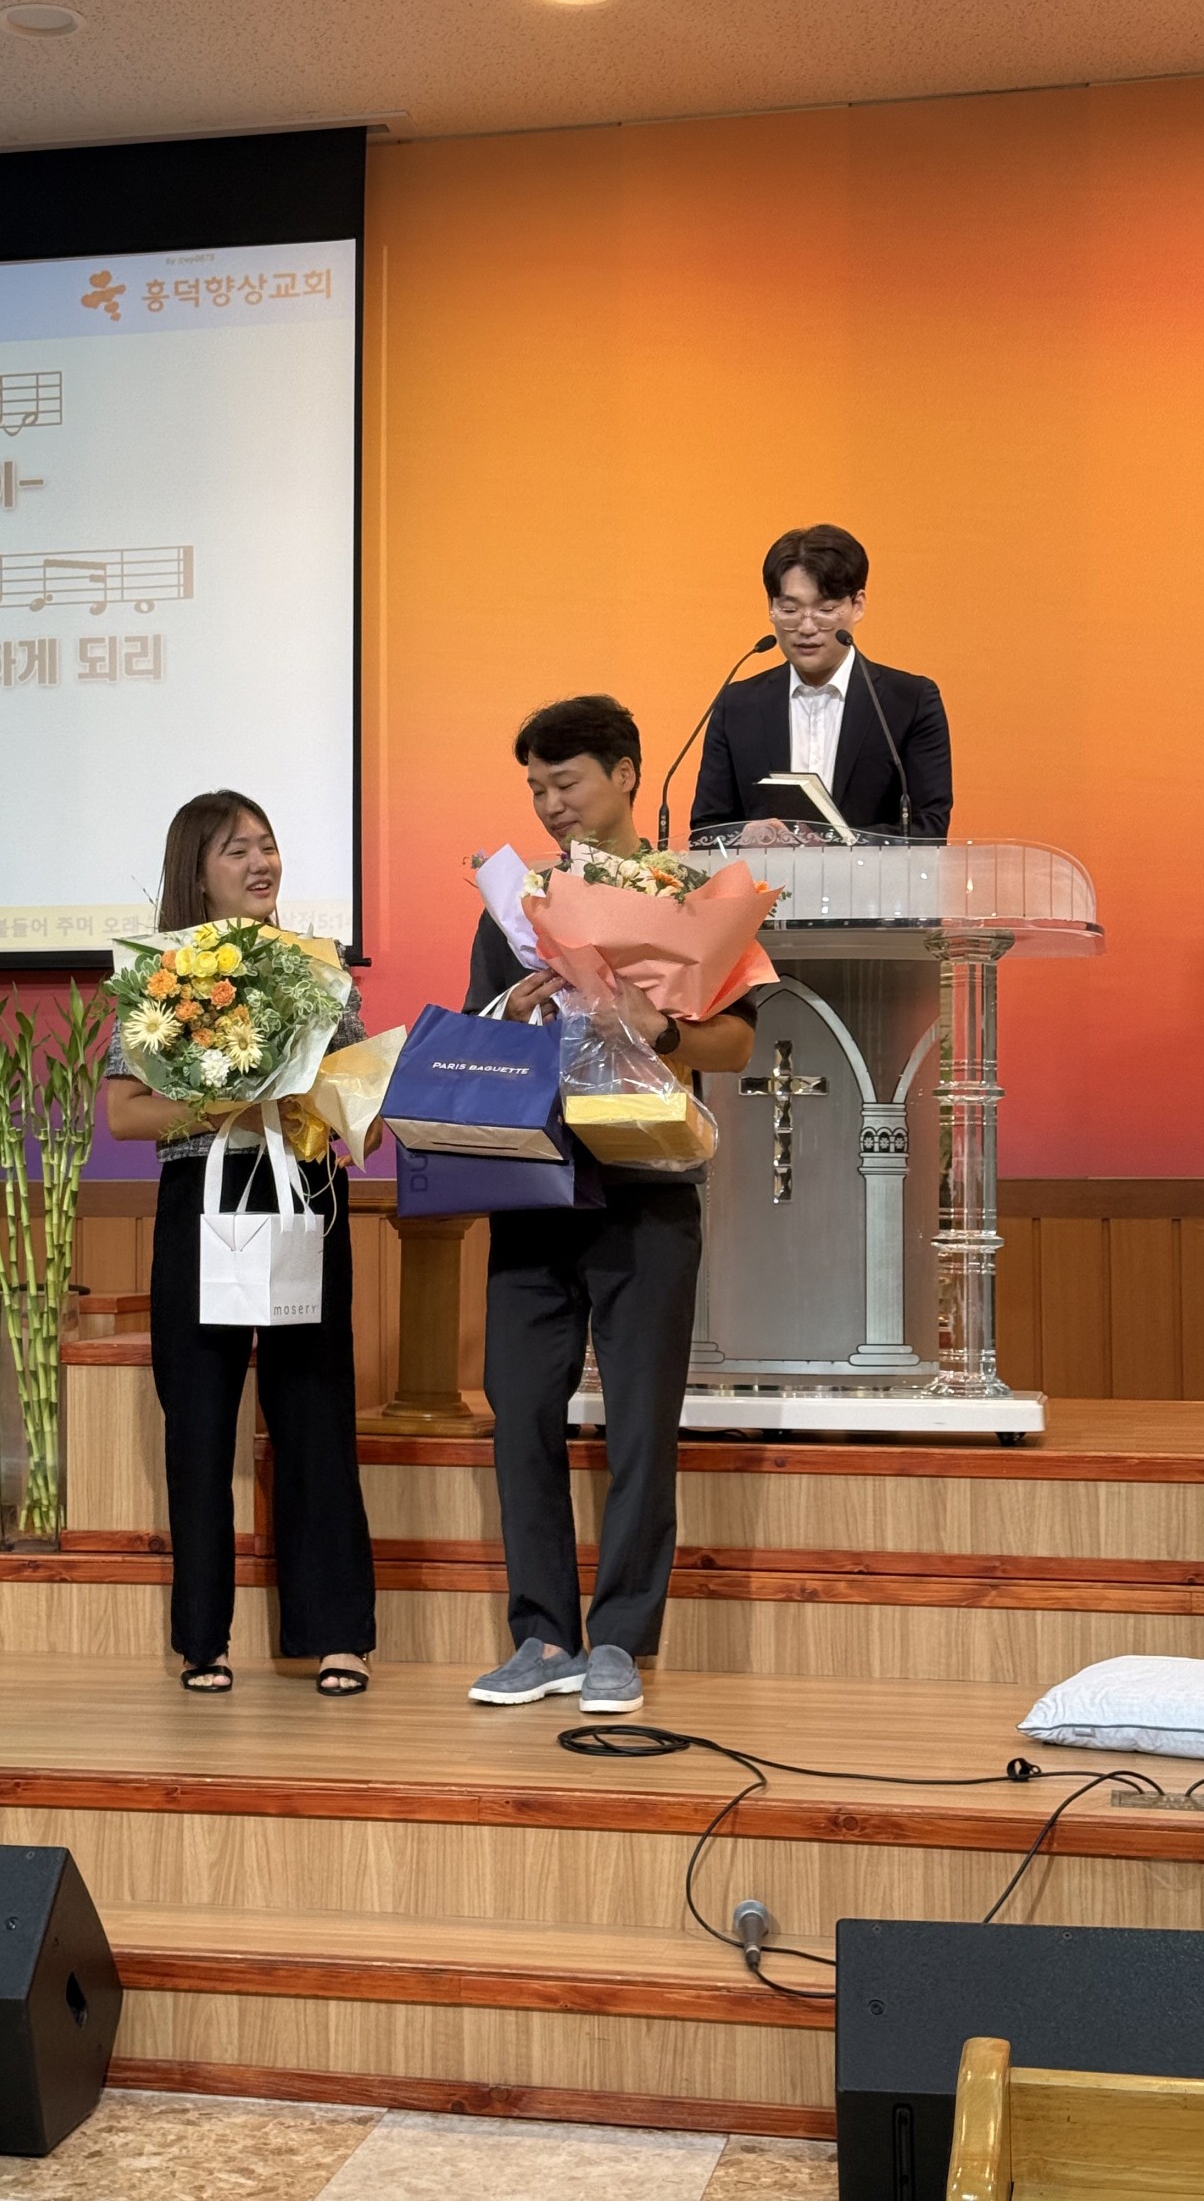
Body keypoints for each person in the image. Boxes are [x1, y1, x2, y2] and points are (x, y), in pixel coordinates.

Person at [463, 697, 756, 1714]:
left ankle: (621, 1640)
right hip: (532, 1183)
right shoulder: (518, 906)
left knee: (640, 1423)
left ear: (625, 773)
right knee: (520, 1415)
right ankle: (541, 1635)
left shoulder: (687, 894)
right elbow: (478, 1029)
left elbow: (736, 1042)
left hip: (646, 1186)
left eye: (566, 782)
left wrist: (656, 1025)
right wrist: (516, 1003)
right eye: (535, 789)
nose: (550, 805)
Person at [105, 790, 376, 1698]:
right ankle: (202, 1641)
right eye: (237, 850)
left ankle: (335, 1636)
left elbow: (357, 1097)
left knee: (313, 1409)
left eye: (268, 845)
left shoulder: (319, 968)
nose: (262, 863)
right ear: (197, 869)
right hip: (202, 1194)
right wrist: (223, 1097)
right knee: (199, 1417)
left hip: (304, 1188)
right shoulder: (162, 977)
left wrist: (334, 1096)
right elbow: (124, 1113)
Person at [690, 524, 953, 838]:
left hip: (873, 873)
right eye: (790, 609)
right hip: (763, 872)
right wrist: (746, 835)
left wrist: (838, 847)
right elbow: (706, 830)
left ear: (858, 605)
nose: (806, 627)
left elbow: (928, 828)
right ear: (771, 608)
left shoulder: (909, 702)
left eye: (825, 609)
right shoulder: (737, 705)